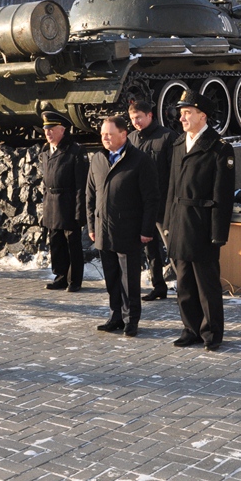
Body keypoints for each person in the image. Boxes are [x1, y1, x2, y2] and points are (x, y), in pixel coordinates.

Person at [163, 91, 236, 351]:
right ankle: (190, 328)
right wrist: (168, 223)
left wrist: (219, 233)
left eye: (187, 113)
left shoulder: (219, 148)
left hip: (203, 224)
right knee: (183, 283)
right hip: (181, 222)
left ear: (202, 116)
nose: (181, 117)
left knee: (207, 285)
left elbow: (223, 195)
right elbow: (172, 187)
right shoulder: (179, 143)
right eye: (181, 113)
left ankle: (212, 332)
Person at [86, 115, 159, 337]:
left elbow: (151, 198)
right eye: (102, 134)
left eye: (109, 134)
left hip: (128, 230)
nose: (105, 138)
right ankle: (115, 316)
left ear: (123, 134)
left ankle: (131, 319)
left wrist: (146, 230)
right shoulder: (98, 159)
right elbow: (90, 195)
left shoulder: (139, 160)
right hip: (103, 230)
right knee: (111, 278)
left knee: (129, 280)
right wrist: (91, 225)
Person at [128, 100, 179, 301]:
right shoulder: (131, 138)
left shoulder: (167, 137)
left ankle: (184, 286)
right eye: (132, 119)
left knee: (172, 247)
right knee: (150, 248)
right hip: (140, 204)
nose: (136, 122)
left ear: (150, 115)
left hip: (164, 203)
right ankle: (158, 285)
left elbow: (175, 172)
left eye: (139, 117)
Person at [40, 110, 88, 292]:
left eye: (52, 129)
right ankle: (60, 276)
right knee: (56, 242)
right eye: (46, 129)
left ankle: (74, 280)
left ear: (63, 129)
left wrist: (79, 210)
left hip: (68, 203)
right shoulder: (46, 151)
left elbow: (80, 185)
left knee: (72, 244)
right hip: (52, 203)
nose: (48, 132)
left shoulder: (75, 150)